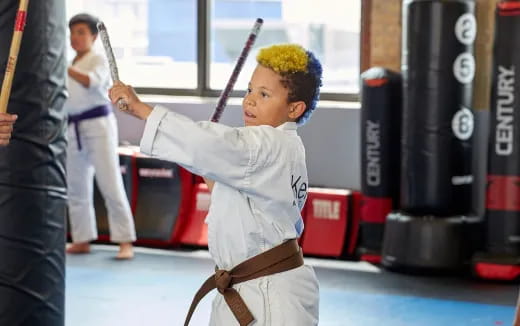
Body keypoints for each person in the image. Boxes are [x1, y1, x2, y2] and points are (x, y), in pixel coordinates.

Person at [110, 43, 322, 325]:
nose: (250, 100)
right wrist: (207, 163)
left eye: (264, 94)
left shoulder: (270, 146)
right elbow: (238, 199)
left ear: (294, 108)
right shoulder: (277, 150)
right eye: (249, 90)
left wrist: (140, 109)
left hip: (268, 298)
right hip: (251, 289)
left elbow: (208, 145)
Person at [65, 13, 136, 259]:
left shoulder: (97, 60)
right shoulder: (71, 61)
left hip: (98, 126)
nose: (75, 37)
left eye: (81, 32)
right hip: (72, 128)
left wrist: (62, 67)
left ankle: (125, 241)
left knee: (109, 181)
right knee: (76, 185)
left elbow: (90, 82)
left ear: (93, 37)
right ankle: (82, 238)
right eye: (72, 32)